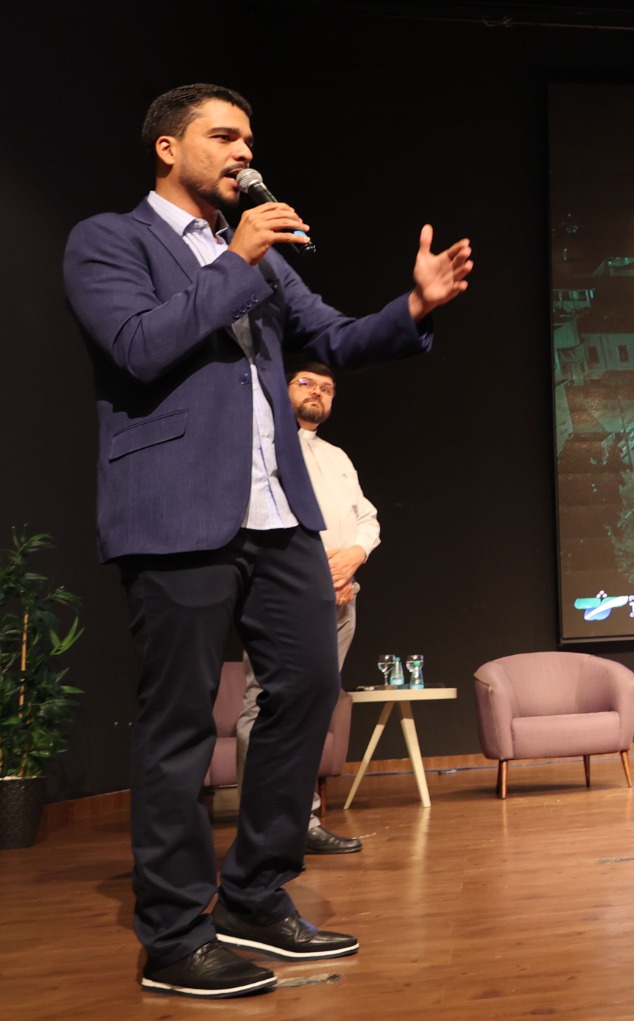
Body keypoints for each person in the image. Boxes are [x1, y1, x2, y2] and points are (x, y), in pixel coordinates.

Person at [61, 83, 472, 999]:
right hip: (175, 511)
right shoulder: (110, 240)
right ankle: (174, 936)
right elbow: (137, 345)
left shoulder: (259, 258)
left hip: (279, 511)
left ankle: (253, 893)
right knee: (179, 721)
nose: (245, 152)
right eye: (224, 136)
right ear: (168, 148)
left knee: (310, 687)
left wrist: (413, 306)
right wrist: (238, 259)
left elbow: (334, 338)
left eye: (249, 138)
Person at [236, 361, 376, 856]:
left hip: (341, 599)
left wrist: (355, 556)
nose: (318, 392)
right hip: (286, 598)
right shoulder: (262, 446)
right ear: (282, 388)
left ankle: (302, 821)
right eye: (306, 383)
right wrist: (320, 577)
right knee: (266, 704)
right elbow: (266, 522)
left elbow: (367, 518)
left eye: (328, 388)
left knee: (315, 710)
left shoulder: (337, 456)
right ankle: (260, 832)